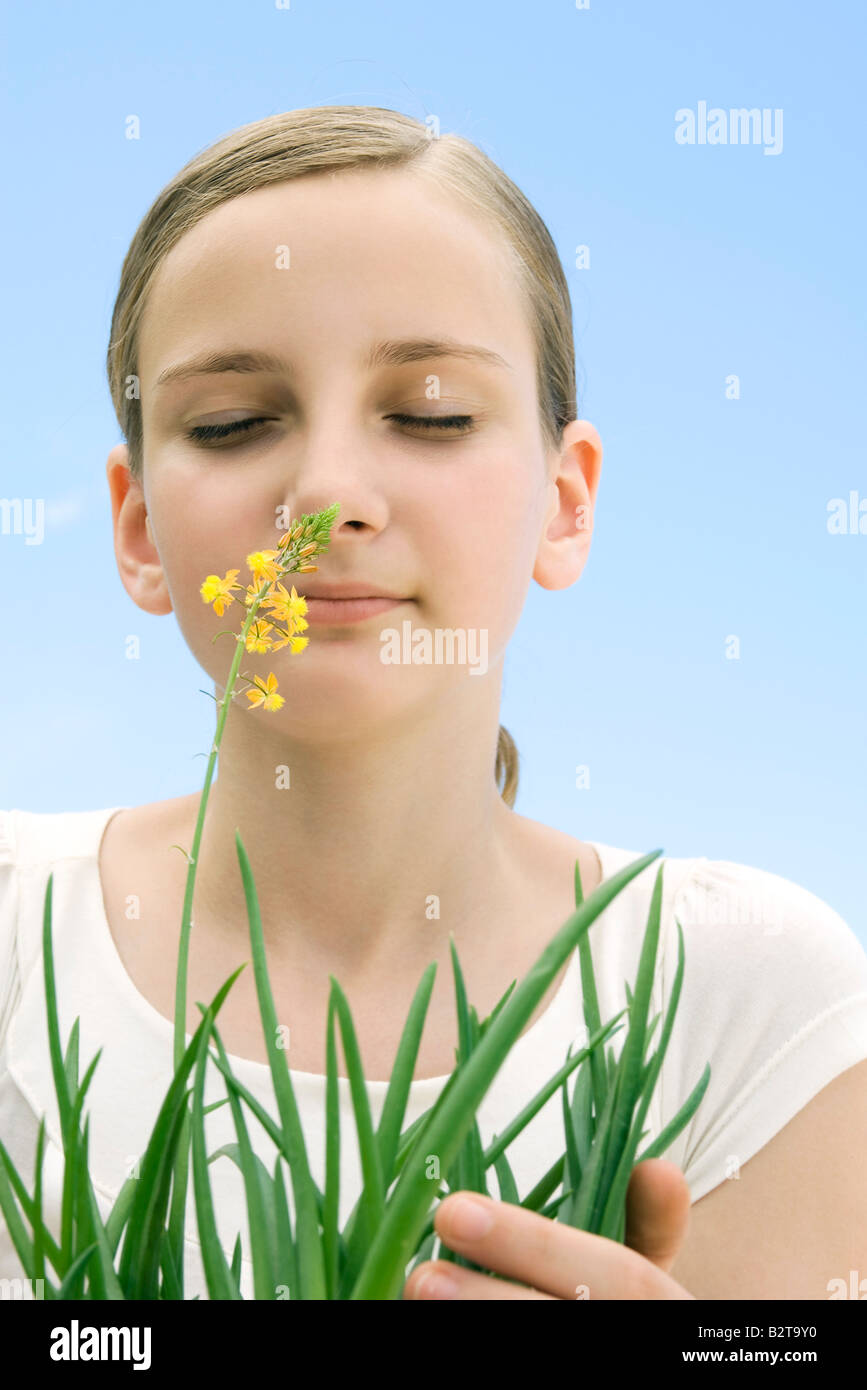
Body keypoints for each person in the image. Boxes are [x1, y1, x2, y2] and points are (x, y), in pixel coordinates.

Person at [2, 107, 866, 1301]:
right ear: (138, 528)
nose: (330, 496)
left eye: (431, 414)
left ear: (566, 503)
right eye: (234, 423)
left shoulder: (750, 990)